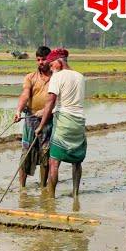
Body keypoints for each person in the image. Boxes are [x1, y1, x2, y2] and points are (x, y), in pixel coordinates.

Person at [35, 48, 86, 200]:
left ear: (58, 62)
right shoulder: (80, 76)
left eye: (51, 65)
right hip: (79, 122)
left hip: (64, 121)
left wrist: (41, 125)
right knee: (77, 161)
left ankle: (51, 197)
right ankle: (76, 194)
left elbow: (51, 102)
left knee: (54, 162)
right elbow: (71, 101)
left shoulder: (57, 77)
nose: (50, 68)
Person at [13, 46, 52, 188]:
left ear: (50, 59)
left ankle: (43, 186)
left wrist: (46, 111)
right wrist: (18, 110)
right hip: (30, 119)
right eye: (38, 60)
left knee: (45, 154)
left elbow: (58, 99)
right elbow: (25, 94)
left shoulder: (56, 78)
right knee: (26, 152)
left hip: (49, 121)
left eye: (43, 59)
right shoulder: (30, 77)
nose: (40, 62)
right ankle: (21, 188)